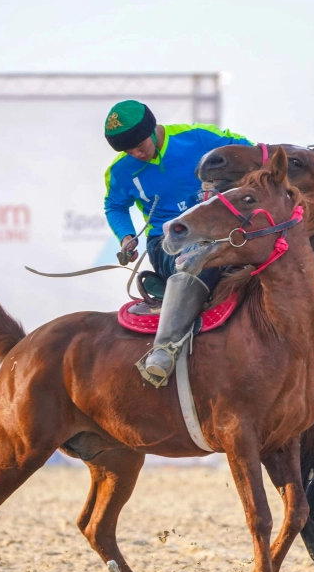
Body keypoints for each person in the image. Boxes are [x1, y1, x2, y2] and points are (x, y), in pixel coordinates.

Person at [102, 100, 252, 386]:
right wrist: (126, 236)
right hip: (167, 241)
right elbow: (115, 206)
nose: (136, 153)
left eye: (138, 145)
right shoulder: (121, 171)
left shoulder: (197, 138)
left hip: (220, 229)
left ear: (152, 129)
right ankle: (164, 348)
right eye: (128, 150)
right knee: (199, 258)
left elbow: (248, 151)